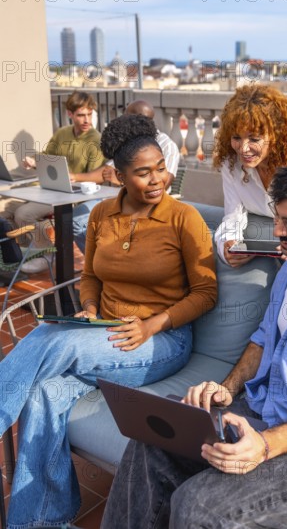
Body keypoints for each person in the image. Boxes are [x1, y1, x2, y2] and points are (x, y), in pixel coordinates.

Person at [101, 154, 287, 529]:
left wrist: (266, 444)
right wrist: (226, 389)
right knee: (152, 438)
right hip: (265, 412)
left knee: (198, 507)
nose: (278, 231)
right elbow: (261, 341)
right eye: (278, 216)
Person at [0, 114, 217, 528]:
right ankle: (41, 521)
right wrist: (89, 307)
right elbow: (93, 276)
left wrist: (153, 325)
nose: (157, 180)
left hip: (160, 341)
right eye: (143, 173)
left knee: (55, 338)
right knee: (45, 392)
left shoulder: (183, 219)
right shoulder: (101, 214)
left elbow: (205, 294)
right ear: (118, 175)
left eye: (160, 169)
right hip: (104, 334)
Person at [0, 90, 105, 273]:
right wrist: (34, 161)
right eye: (81, 115)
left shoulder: (95, 139)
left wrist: (75, 177)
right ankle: (27, 252)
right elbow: (47, 159)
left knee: (24, 214)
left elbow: (98, 175)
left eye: (89, 114)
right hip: (50, 190)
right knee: (5, 211)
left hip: (72, 196)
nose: (86, 119)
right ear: (70, 114)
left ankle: (47, 254)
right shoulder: (62, 133)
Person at [213, 84, 287, 267]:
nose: (243, 148)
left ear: (277, 135)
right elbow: (233, 216)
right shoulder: (231, 165)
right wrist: (226, 245)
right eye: (236, 138)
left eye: (254, 139)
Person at [72, 99, 181, 253]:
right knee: (78, 217)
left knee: (104, 226)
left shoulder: (166, 145)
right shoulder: (126, 139)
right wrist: (75, 177)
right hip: (119, 199)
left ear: (137, 119)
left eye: (126, 116)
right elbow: (105, 172)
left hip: (148, 204)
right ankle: (103, 262)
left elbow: (161, 184)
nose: (122, 118)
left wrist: (122, 181)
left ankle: (113, 260)